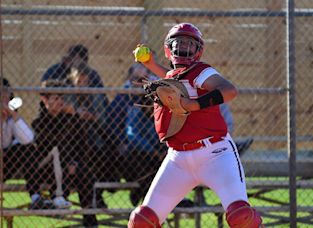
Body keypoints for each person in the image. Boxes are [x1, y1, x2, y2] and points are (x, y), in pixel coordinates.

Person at [128, 23, 263, 228]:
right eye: (177, 44)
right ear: (168, 49)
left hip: (215, 154)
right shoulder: (174, 76)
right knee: (142, 220)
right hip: (178, 159)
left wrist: (194, 104)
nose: (182, 48)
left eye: (188, 45)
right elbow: (174, 77)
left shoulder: (201, 71)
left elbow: (229, 90)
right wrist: (150, 63)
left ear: (198, 51)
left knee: (240, 216)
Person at [32, 80, 98, 227]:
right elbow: (53, 143)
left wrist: (74, 116)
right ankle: (59, 198)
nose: (60, 102)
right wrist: (67, 162)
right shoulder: (38, 122)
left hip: (68, 167)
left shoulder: (68, 118)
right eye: (56, 98)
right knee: (58, 155)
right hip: (47, 170)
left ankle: (89, 218)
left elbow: (82, 143)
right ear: (45, 100)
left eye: (61, 98)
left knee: (86, 174)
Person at [104, 63, 165, 206]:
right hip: (129, 152)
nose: (139, 85)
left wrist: (159, 150)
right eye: (136, 80)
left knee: (159, 164)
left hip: (150, 152)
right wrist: (155, 151)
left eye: (143, 80)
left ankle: (145, 196)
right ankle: (144, 196)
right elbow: (130, 135)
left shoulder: (155, 103)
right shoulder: (126, 101)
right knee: (139, 158)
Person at [0, 78, 47, 208]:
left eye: (6, 96)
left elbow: (29, 139)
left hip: (5, 163)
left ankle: (36, 197)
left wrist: (13, 115)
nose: (4, 100)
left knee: (26, 149)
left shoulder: (11, 117)